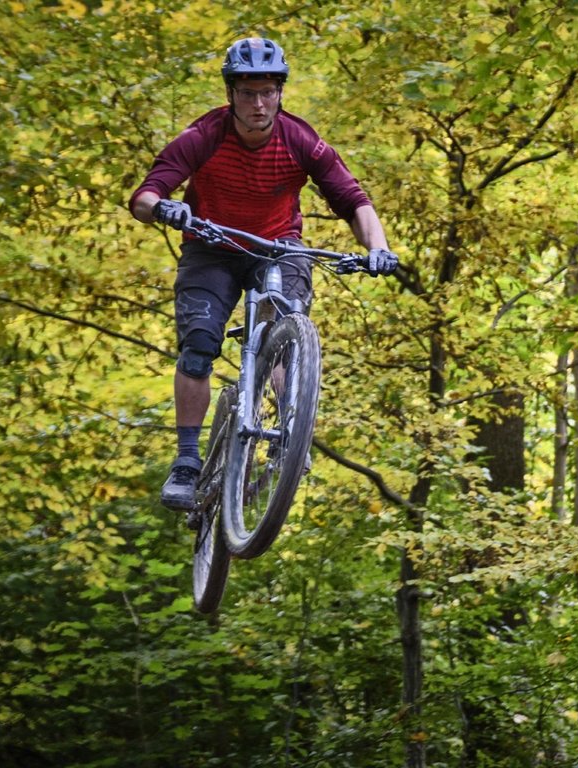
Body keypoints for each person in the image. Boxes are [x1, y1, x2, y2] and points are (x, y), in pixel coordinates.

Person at [129, 36, 398, 511]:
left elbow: (354, 201)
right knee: (198, 347)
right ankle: (187, 461)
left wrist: (378, 249)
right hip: (211, 249)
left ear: (280, 92)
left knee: (284, 324)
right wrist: (164, 209)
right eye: (248, 92)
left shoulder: (299, 140)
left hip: (277, 248)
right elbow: (146, 196)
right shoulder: (204, 136)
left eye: (268, 91)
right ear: (231, 93)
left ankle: (289, 432)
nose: (259, 102)